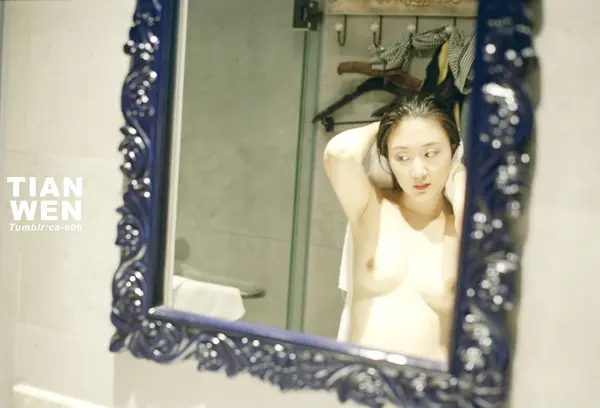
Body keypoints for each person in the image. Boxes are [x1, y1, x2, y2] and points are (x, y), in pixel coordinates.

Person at [323, 93, 466, 362]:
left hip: (429, 386)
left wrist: (459, 175)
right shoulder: (370, 208)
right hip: (362, 381)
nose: (418, 171)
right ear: (387, 159)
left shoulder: (459, 226)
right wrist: (393, 123)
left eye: (431, 153)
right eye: (402, 157)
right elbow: (340, 153)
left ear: (453, 149)